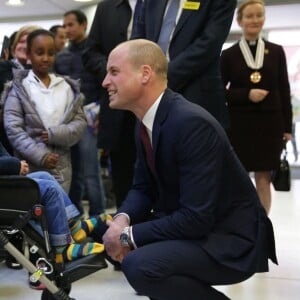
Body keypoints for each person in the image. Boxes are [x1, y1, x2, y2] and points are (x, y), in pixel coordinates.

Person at [99, 39, 277, 300]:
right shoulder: (146, 122)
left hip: (230, 239)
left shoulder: (190, 123)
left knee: (141, 265)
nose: (105, 82)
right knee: (115, 242)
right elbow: (142, 187)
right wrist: (121, 220)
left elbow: (196, 218)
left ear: (145, 74)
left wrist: (127, 237)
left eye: (114, 72)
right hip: (201, 227)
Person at [220, 0, 293, 214]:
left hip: (270, 124)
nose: (254, 20)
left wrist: (287, 128)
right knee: (239, 178)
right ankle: (243, 223)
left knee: (264, 177)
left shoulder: (276, 51)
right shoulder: (229, 54)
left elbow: (284, 89)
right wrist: (246, 94)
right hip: (240, 124)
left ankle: (263, 225)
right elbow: (219, 91)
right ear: (240, 21)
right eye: (249, 16)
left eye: (259, 15)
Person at [2, 29, 86, 193]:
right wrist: (41, 156)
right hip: (29, 164)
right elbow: (13, 128)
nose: (46, 58)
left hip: (61, 165)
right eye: (39, 53)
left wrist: (56, 134)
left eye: (51, 53)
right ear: (28, 54)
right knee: (33, 210)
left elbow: (80, 123)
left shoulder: (66, 87)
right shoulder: (19, 88)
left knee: (60, 209)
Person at [131, 0, 236, 128]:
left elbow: (209, 44)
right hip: (149, 100)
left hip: (196, 98)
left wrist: (161, 78)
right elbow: (137, 41)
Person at [82, 0, 138, 208]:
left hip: (155, 104)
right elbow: (89, 53)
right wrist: (116, 72)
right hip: (119, 112)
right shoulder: (107, 7)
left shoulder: (164, 6)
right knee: (124, 180)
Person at [54, 10, 105, 216]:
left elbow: (104, 85)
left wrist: (102, 112)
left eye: (71, 25)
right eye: (64, 25)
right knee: (72, 172)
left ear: (84, 25)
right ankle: (74, 219)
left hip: (90, 116)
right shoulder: (62, 56)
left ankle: (98, 216)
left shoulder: (94, 53)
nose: (67, 29)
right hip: (67, 120)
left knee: (91, 172)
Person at [0, 26, 40, 155]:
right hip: (7, 139)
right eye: (20, 41)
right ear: (14, 46)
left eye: (28, 42)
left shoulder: (46, 73)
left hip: (37, 142)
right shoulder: (4, 68)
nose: (23, 46)